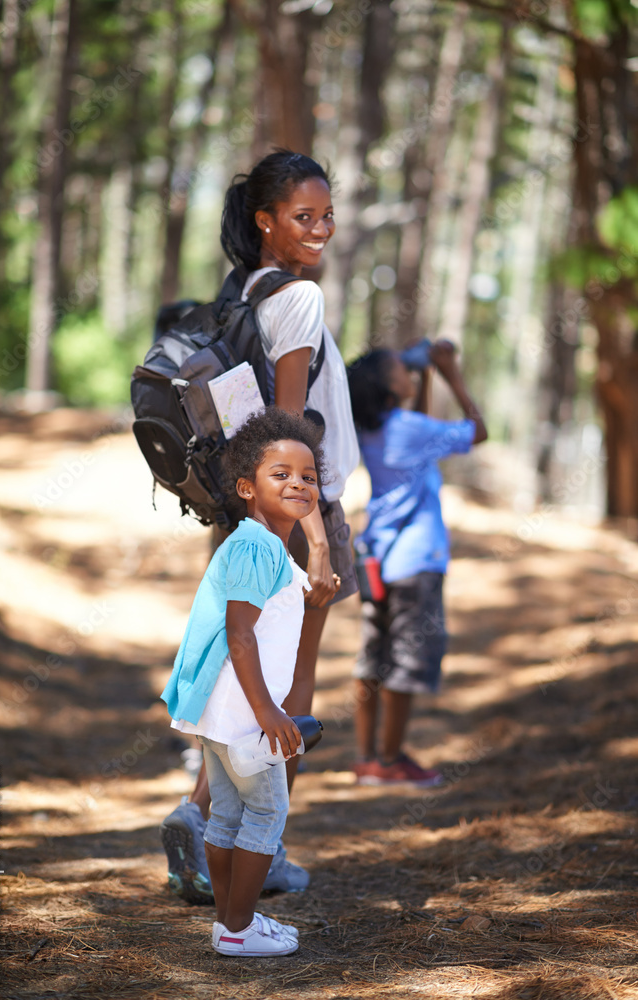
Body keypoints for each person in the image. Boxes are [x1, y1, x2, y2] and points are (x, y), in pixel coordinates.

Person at [160, 149, 360, 902]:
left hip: (244, 509)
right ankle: (258, 848)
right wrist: (311, 536)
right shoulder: (298, 299)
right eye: (302, 217)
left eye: (326, 216)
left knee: (243, 685)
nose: (319, 230)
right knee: (290, 693)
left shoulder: (240, 292)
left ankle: (205, 819)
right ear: (265, 221)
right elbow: (285, 429)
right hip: (292, 514)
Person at [161, 407, 326, 955]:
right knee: (268, 810)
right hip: (243, 709)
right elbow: (241, 635)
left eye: (308, 476)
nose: (298, 483)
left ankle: (231, 926)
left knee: (228, 811)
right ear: (246, 487)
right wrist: (268, 713)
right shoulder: (258, 546)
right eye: (280, 474)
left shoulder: (259, 543)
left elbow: (269, 612)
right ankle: (239, 926)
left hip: (221, 708)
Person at [346, 340, 487, 786]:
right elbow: (476, 431)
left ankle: (369, 756)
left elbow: (417, 420)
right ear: (388, 388)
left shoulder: (373, 427)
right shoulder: (410, 428)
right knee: (406, 662)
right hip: (416, 561)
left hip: (376, 558)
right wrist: (449, 373)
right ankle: (391, 762)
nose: (407, 372)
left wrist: (422, 373)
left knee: (374, 658)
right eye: (399, 369)